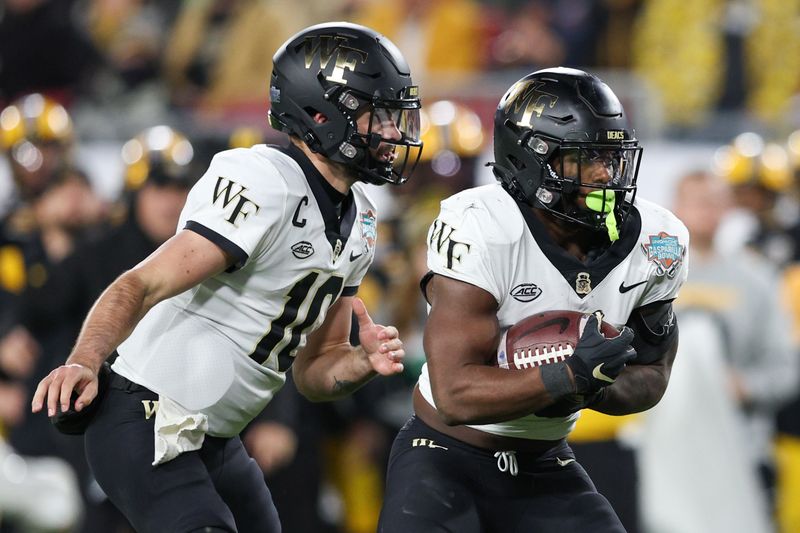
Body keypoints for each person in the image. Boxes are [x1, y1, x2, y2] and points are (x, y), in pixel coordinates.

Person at [30, 22, 423, 533]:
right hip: (146, 418)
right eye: (378, 117)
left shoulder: (362, 222)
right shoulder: (263, 182)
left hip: (216, 441)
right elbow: (140, 284)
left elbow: (312, 374)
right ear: (323, 114)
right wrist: (85, 360)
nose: (393, 134)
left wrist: (360, 362)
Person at [378, 67, 689, 532]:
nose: (605, 173)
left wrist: (595, 384)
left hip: (545, 459)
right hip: (445, 457)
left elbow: (653, 375)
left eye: (610, 156)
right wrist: (566, 375)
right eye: (584, 159)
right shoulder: (482, 225)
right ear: (532, 160)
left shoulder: (659, 240)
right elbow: (454, 396)